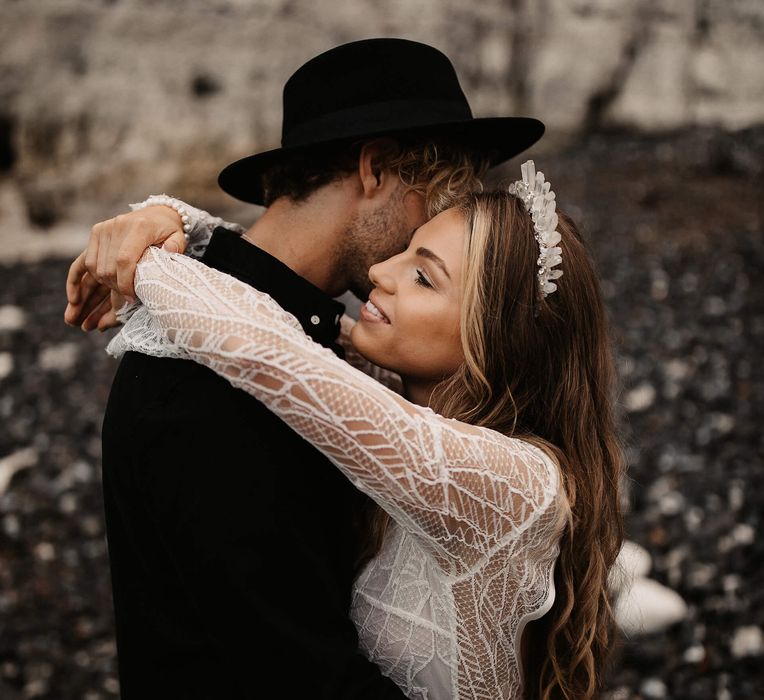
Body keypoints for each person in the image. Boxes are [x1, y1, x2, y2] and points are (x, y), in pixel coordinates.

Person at [64, 39, 547, 699]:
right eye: (433, 202)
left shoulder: (298, 340)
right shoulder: (207, 386)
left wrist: (170, 217)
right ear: (375, 168)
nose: (410, 251)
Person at [79, 163, 624, 699]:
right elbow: (285, 317)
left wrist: (140, 260)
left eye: (423, 277)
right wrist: (176, 220)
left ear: (495, 339)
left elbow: (265, 352)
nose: (383, 271)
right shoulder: (397, 397)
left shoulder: (517, 485)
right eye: (408, 250)